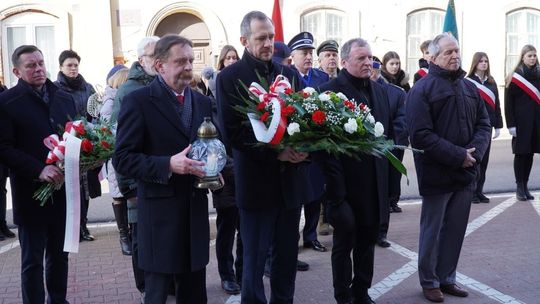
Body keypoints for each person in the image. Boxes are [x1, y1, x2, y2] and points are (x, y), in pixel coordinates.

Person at [216, 11, 310, 303]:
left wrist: (305, 148)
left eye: (271, 37)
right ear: (244, 40)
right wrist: (278, 154)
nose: (269, 43)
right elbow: (233, 134)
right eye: (261, 38)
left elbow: (304, 122)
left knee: (285, 262)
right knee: (254, 264)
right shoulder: (229, 78)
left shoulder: (290, 75)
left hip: (290, 188)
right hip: (256, 187)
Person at [114, 34, 212, 304]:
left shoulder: (202, 102)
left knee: (194, 294)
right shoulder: (139, 101)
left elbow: (212, 147)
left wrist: (217, 172)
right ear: (159, 66)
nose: (189, 67)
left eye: (191, 60)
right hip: (159, 218)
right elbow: (122, 158)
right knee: (157, 295)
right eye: (180, 61)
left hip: (194, 214)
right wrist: (168, 164)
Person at [406, 33, 491, 303]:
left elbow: (484, 125)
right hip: (438, 172)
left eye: (457, 51)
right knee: (432, 230)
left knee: (455, 229)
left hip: (465, 171)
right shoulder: (422, 89)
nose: (455, 56)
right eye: (448, 52)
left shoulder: (469, 88)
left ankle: (447, 278)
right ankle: (429, 281)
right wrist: (458, 156)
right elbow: (420, 135)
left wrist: (473, 155)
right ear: (433, 57)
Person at [316, 37, 392, 304]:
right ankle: (343, 296)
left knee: (367, 244)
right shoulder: (329, 92)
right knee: (343, 245)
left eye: (369, 57)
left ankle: (362, 291)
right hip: (344, 190)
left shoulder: (380, 90)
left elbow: (387, 136)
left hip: (373, 186)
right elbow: (326, 150)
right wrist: (337, 198)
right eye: (361, 58)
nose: (367, 63)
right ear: (345, 61)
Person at [0, 44, 77, 304]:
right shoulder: (7, 102)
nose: (38, 69)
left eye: (41, 63)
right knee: (32, 261)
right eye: (31, 65)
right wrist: (38, 169)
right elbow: (3, 148)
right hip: (30, 192)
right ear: (17, 71)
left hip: (62, 190)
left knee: (60, 254)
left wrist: (85, 159)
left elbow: (76, 134)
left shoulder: (62, 96)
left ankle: (58, 300)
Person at [112, 35, 159, 300]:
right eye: (155, 56)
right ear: (142, 60)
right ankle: (145, 288)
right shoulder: (129, 91)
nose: (160, 60)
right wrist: (128, 187)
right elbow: (119, 144)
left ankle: (164, 284)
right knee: (141, 237)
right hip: (138, 179)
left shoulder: (160, 83)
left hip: (159, 175)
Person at [205, 44, 243, 296]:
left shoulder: (244, 95)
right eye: (227, 58)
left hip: (246, 176)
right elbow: (209, 145)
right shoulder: (209, 103)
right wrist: (231, 167)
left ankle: (243, 272)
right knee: (227, 228)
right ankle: (227, 275)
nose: (231, 61)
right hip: (224, 177)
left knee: (247, 229)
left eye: (234, 57)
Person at [288, 31, 328, 253]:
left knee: (315, 193)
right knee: (296, 197)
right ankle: (291, 239)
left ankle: (310, 236)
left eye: (311, 52)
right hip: (295, 145)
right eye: (304, 52)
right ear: (293, 56)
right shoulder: (287, 77)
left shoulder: (322, 78)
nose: (309, 56)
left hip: (316, 145)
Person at [54, 49, 100, 242]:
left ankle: (83, 225)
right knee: (70, 187)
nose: (73, 69)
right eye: (69, 65)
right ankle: (71, 226)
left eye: (75, 65)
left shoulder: (87, 87)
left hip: (85, 143)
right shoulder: (55, 88)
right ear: (61, 67)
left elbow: (94, 113)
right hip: (65, 142)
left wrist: (94, 132)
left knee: (85, 187)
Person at [370, 57, 408, 248]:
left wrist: (388, 144)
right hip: (364, 152)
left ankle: (381, 232)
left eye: (374, 70)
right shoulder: (357, 90)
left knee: (384, 193)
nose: (371, 73)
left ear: (378, 72)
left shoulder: (395, 93)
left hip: (385, 150)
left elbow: (401, 123)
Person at [99, 66, 132, 255]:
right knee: (118, 193)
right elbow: (107, 129)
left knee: (128, 193)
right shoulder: (110, 102)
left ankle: (131, 233)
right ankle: (123, 235)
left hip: (128, 152)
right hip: (117, 154)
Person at [466, 52, 504, 204]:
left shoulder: (491, 82)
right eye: (481, 61)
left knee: (485, 159)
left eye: (486, 61)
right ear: (475, 63)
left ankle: (480, 190)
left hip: (487, 126)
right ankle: (472, 191)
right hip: (473, 126)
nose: (483, 64)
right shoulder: (468, 82)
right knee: (475, 159)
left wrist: (499, 125)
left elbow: (497, 106)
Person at [505, 44, 540, 201]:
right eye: (529, 56)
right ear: (523, 57)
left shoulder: (539, 74)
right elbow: (508, 103)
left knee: (530, 153)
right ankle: (519, 187)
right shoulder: (515, 76)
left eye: (534, 56)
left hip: (536, 122)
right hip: (520, 123)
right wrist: (511, 124)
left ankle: (525, 185)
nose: (532, 58)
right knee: (521, 154)